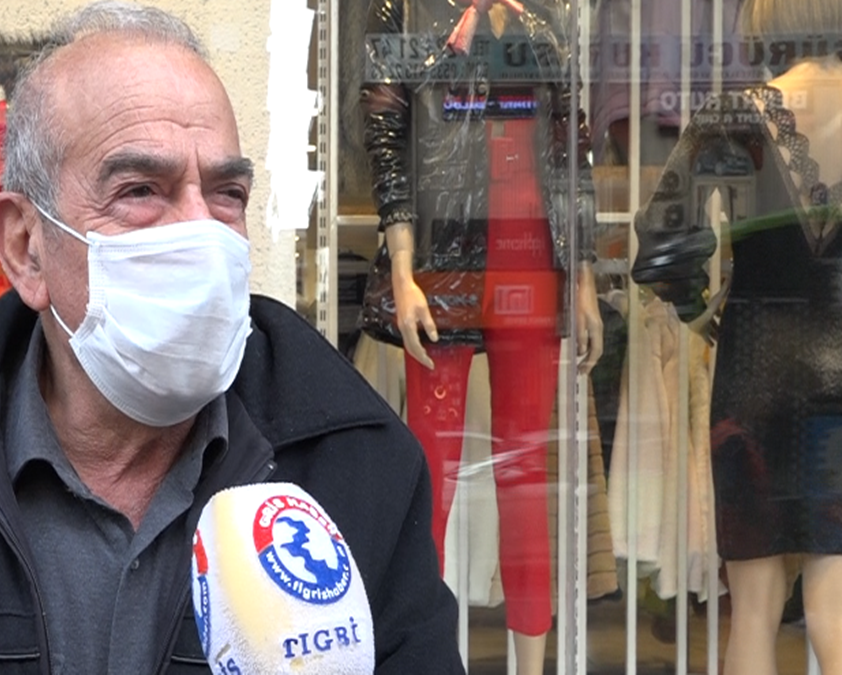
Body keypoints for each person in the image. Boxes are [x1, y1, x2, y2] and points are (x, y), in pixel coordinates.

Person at [0, 2, 465, 673]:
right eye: (140, 190)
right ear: (25, 248)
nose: (200, 232)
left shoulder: (358, 465)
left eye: (227, 194)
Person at [360, 1, 602, 672]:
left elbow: (571, 148)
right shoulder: (407, 10)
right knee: (430, 477)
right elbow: (385, 132)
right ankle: (425, 659)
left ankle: (533, 666)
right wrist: (403, 270)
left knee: (525, 479)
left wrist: (583, 278)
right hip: (442, 267)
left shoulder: (548, 17)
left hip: (531, 263)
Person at [632, 0, 842, 672]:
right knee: (835, 604)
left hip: (754, 373)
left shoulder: (732, 116)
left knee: (752, 607)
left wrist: (700, 311)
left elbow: (661, 246)